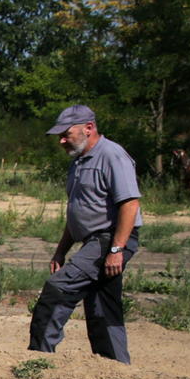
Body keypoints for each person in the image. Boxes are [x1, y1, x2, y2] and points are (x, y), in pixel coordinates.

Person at [29, 104, 140, 364]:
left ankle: (39, 361)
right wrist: (61, 249)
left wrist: (117, 249)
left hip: (110, 239)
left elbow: (130, 204)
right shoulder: (78, 163)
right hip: (94, 241)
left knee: (58, 289)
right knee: (102, 306)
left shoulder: (113, 155)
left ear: (89, 128)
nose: (62, 140)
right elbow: (78, 211)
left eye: (66, 133)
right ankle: (116, 369)